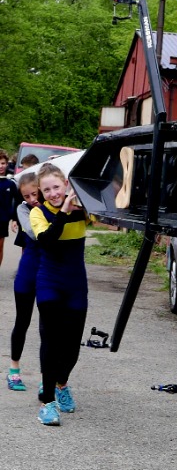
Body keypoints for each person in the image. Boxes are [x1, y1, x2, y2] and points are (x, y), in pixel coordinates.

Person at [30, 163, 91, 426]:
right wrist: (63, 212)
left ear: (66, 184)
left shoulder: (83, 210)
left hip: (76, 284)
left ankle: (61, 384)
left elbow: (112, 215)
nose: (53, 193)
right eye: (47, 190)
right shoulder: (38, 212)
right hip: (49, 282)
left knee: (72, 346)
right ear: (41, 193)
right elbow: (47, 240)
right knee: (51, 341)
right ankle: (47, 403)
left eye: (56, 187)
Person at [7, 172, 42, 391]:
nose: (31, 199)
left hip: (48, 273)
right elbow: (33, 232)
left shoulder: (51, 207)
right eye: (26, 196)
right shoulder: (23, 209)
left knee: (47, 327)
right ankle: (14, 370)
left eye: (35, 194)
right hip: (27, 272)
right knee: (22, 321)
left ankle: (46, 378)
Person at [0, 147, 21, 269]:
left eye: (3, 163)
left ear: (7, 164)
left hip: (2, 220)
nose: (0, 166)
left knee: (0, 246)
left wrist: (14, 219)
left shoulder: (11, 183)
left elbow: (18, 200)